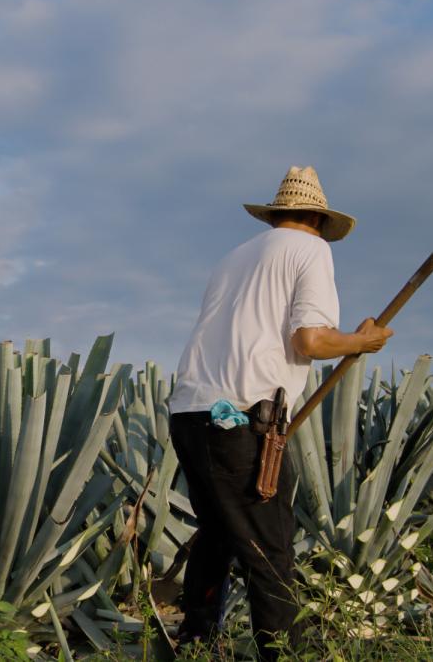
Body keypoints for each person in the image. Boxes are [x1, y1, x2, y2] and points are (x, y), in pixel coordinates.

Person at [167, 165, 393, 660]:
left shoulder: (233, 258)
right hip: (243, 418)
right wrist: (363, 340)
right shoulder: (312, 249)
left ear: (277, 215)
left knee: (219, 534)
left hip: (189, 412)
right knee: (270, 548)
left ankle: (196, 643)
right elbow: (309, 340)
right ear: (317, 217)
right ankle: (282, 654)